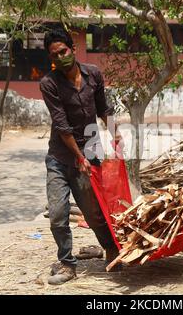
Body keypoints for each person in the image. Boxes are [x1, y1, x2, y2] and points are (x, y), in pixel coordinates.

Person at [40, 29, 123, 285]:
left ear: (73, 48)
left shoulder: (93, 74)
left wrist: (115, 135)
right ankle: (66, 264)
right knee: (57, 214)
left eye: (63, 51)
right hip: (60, 158)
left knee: (94, 211)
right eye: (55, 55)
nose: (61, 57)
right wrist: (79, 157)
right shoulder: (49, 83)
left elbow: (103, 108)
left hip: (91, 153)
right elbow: (62, 125)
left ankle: (111, 248)